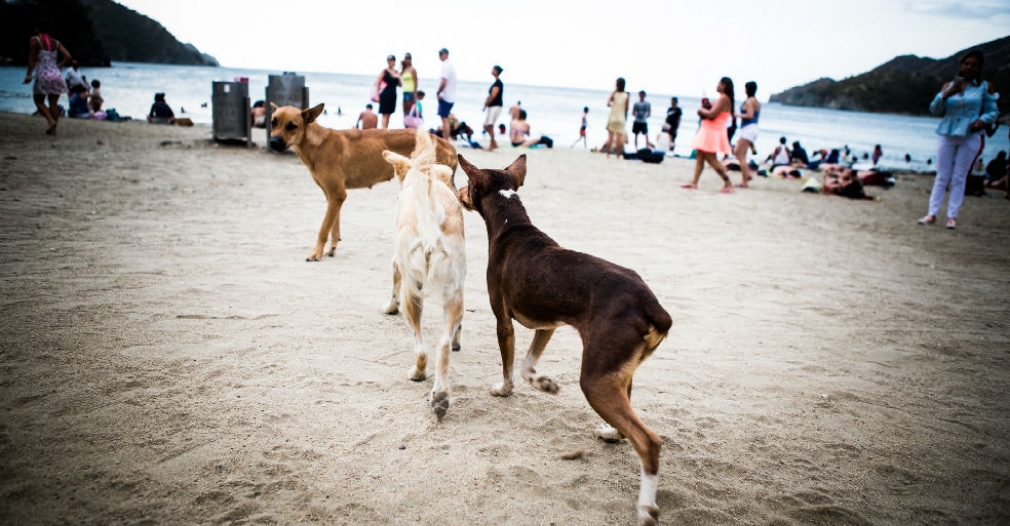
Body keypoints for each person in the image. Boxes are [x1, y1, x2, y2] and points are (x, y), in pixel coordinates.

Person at [918, 49, 999, 230]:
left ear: (979, 67)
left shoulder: (985, 87)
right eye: (966, 63)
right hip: (947, 132)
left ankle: (951, 216)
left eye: (973, 64)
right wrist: (946, 94)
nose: (969, 67)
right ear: (961, 65)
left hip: (970, 134)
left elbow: (993, 111)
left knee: (959, 176)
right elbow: (935, 109)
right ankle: (932, 214)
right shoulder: (948, 85)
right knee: (942, 175)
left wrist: (981, 120)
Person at [682, 77, 735, 193]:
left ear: (724, 86)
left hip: (713, 131)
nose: (717, 85)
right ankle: (694, 182)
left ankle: (728, 183)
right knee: (700, 156)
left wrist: (701, 110)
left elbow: (712, 114)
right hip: (710, 130)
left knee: (711, 159)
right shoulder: (723, 99)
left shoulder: (724, 99)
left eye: (719, 84)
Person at [23, 25, 72, 135]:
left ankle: (50, 121)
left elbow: (32, 58)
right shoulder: (56, 43)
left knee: (39, 101)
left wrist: (29, 75)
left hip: (42, 74)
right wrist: (60, 65)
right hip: (56, 75)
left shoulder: (35, 40)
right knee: (53, 103)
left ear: (37, 29)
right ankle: (53, 130)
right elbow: (68, 56)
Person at [733, 81, 760, 187]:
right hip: (753, 128)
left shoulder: (749, 101)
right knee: (743, 154)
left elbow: (749, 115)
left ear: (747, 89)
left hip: (748, 128)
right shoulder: (756, 101)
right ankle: (746, 176)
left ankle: (745, 179)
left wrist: (737, 115)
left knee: (738, 153)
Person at [435, 47, 458, 142]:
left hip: (446, 97)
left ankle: (446, 140)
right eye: (439, 53)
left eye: (441, 54)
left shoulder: (446, 66)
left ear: (446, 54)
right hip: (451, 97)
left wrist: (439, 92)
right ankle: (446, 139)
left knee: (445, 120)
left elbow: (444, 81)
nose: (439, 56)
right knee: (445, 120)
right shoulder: (450, 66)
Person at [375, 54, 401, 129]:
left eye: (391, 59)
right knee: (385, 114)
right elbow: (378, 83)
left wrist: (399, 77)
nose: (390, 61)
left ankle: (385, 129)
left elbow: (400, 85)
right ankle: (383, 130)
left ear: (394, 61)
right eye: (388, 60)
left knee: (389, 114)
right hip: (385, 94)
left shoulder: (396, 72)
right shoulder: (385, 71)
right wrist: (377, 94)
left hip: (393, 94)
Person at [605, 77, 629, 159]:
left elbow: (608, 104)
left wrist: (614, 106)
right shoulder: (626, 95)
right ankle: (618, 155)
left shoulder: (614, 94)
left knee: (610, 137)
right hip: (621, 118)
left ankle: (607, 154)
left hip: (613, 117)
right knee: (619, 138)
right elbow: (627, 108)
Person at [482, 65, 504, 151]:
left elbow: (493, 95)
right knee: (486, 125)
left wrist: (487, 102)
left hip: (495, 106)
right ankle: (494, 142)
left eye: (493, 69)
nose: (491, 70)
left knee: (489, 125)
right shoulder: (496, 82)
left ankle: (491, 145)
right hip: (492, 106)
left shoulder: (498, 83)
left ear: (496, 71)